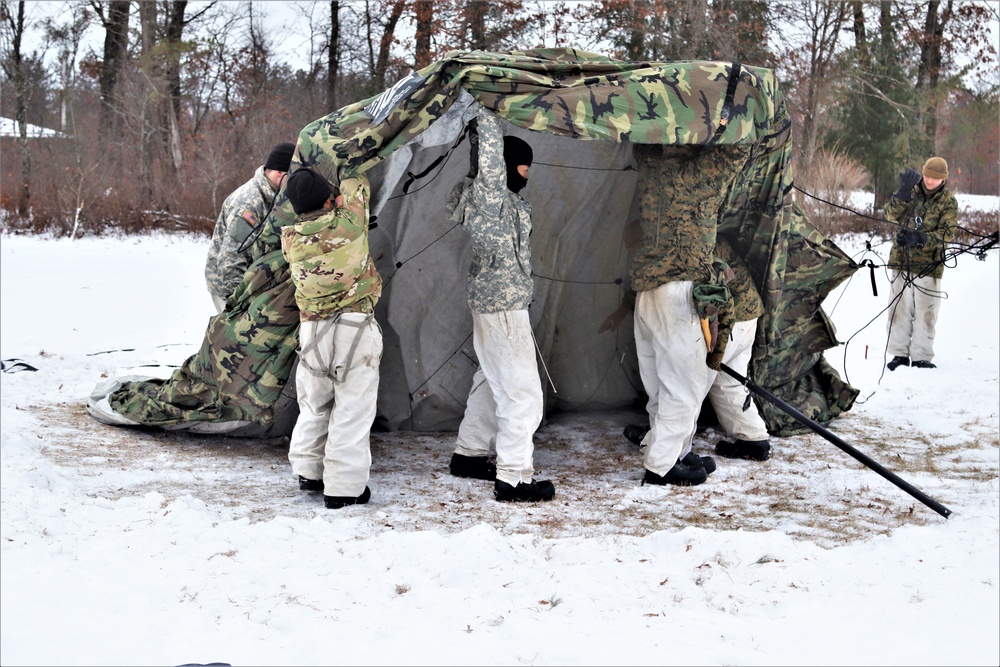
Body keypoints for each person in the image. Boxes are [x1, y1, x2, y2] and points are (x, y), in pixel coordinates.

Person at [445, 105, 555, 503]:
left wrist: (476, 127)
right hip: (503, 309)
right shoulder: (491, 197)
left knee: (491, 384)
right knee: (522, 395)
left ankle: (469, 455)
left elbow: (485, 161)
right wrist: (485, 113)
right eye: (524, 166)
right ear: (507, 165)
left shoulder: (501, 200)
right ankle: (514, 478)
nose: (527, 173)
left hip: (496, 305)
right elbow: (490, 160)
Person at [628, 142, 751, 487]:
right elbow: (736, 152)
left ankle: (676, 451)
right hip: (678, 291)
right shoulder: (693, 175)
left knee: (659, 384)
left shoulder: (650, 161)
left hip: (647, 290)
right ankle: (662, 466)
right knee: (685, 384)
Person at [611, 237, 772, 465]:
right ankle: (754, 440)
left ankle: (672, 451)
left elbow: (662, 280)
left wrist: (717, 344)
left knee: (689, 386)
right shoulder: (696, 234)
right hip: (748, 312)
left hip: (731, 315)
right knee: (728, 382)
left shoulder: (687, 248)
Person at [280, 167, 383, 510]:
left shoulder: (290, 240)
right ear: (330, 199)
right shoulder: (349, 222)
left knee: (315, 403)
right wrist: (346, 168)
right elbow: (357, 184)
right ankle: (344, 488)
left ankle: (309, 471)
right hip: (354, 327)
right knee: (353, 407)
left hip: (312, 331)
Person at [884, 156, 958, 371]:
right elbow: (890, 215)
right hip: (901, 262)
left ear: (943, 180)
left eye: (935, 178)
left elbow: (947, 233)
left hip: (929, 266)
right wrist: (903, 192)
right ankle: (899, 354)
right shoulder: (911, 192)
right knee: (899, 310)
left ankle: (921, 356)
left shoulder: (948, 202)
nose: (930, 181)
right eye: (927, 176)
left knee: (927, 312)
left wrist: (921, 238)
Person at [205, 142, 295, 313]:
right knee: (232, 337)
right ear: (279, 173)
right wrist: (237, 302)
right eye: (292, 175)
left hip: (249, 283)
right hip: (228, 286)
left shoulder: (272, 195)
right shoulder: (249, 203)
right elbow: (230, 258)